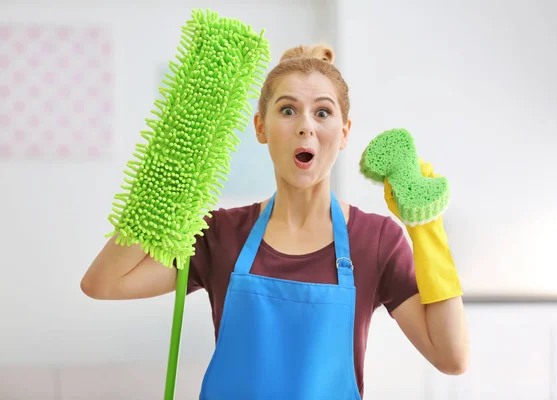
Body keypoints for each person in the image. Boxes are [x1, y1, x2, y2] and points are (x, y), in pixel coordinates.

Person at [80, 43, 469, 399]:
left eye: (323, 112)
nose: (306, 126)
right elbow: (103, 283)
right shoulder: (219, 233)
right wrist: (171, 173)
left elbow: (452, 358)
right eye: (287, 110)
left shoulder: (376, 239)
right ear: (261, 128)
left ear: (344, 132)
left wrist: (425, 224)